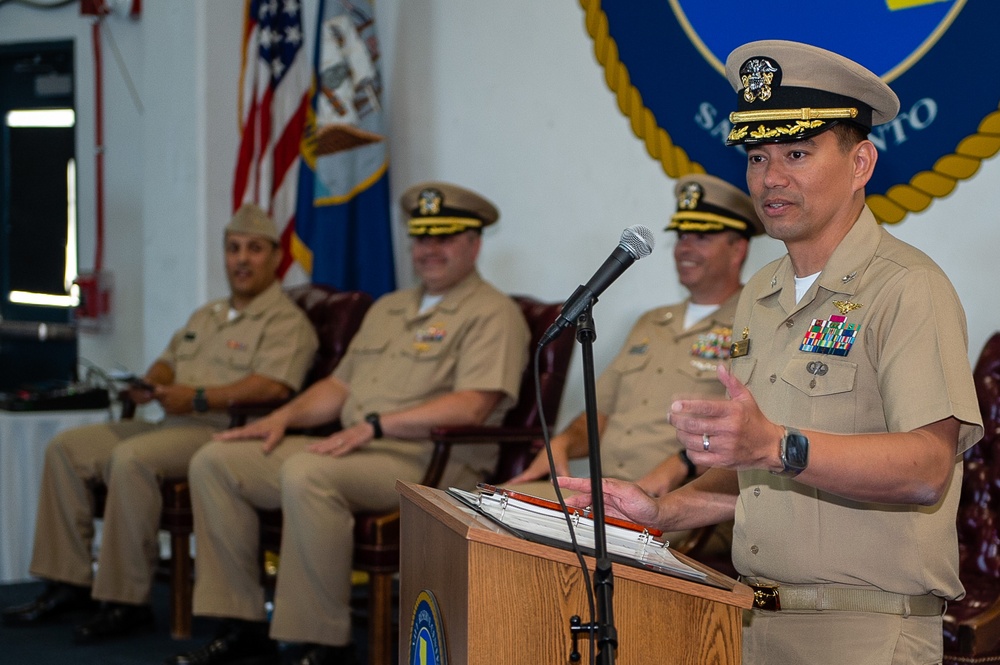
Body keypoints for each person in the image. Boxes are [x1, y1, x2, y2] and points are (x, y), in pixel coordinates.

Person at [560, 40, 983, 664]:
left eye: (797, 153)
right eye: (757, 157)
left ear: (861, 162)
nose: (771, 178)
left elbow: (925, 470)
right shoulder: (761, 291)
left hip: (863, 633)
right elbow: (761, 478)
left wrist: (776, 444)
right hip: (754, 621)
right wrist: (663, 508)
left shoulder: (907, 287)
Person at [167, 182, 530, 665]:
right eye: (422, 238)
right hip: (357, 449)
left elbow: (473, 407)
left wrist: (379, 425)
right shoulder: (388, 308)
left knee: (307, 474)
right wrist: (281, 419)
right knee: (216, 460)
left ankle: (322, 641)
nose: (430, 250)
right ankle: (240, 623)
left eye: (444, 238)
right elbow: (337, 389)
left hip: (430, 464)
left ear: (474, 243)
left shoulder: (493, 313)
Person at [0, 204, 319, 644]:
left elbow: (274, 388)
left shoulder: (287, 322)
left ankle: (125, 600)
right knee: (67, 448)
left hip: (223, 433)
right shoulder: (206, 315)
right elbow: (168, 362)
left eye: (254, 249)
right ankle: (69, 583)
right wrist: (150, 384)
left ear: (275, 257)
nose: (241, 260)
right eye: (233, 249)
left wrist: (200, 397)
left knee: (130, 458)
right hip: (168, 419)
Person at [507, 173, 763, 551]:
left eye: (702, 237)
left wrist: (682, 465)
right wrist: (562, 443)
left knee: (566, 544)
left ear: (738, 248)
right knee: (493, 510)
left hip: (680, 502)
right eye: (682, 236)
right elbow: (601, 414)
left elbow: (754, 433)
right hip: (604, 487)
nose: (685, 248)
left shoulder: (755, 323)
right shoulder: (651, 322)